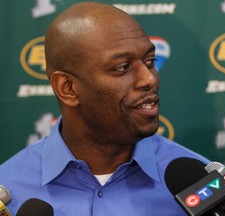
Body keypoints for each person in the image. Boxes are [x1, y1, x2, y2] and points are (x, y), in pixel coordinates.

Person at [0, 2, 209, 215]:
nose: (149, 79)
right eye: (122, 68)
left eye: (149, 61)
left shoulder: (202, 186)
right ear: (68, 88)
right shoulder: (8, 191)